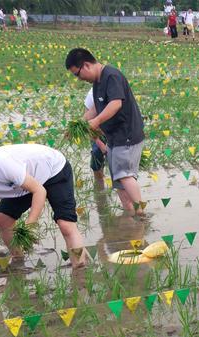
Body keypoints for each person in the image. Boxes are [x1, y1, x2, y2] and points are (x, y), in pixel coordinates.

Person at [66, 48, 147, 217]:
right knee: (118, 180)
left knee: (125, 175)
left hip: (127, 135)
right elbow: (97, 107)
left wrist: (96, 122)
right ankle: (129, 215)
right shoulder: (98, 82)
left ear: (86, 65)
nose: (79, 79)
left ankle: (141, 214)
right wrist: (79, 124)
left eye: (78, 74)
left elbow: (115, 103)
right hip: (113, 138)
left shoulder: (111, 76)